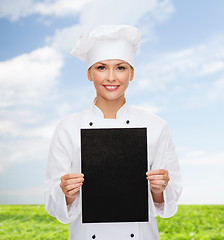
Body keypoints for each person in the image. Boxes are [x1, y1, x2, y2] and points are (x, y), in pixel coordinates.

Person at [45, 25, 182, 240]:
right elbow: (53, 205)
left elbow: (168, 206)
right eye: (101, 67)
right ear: (89, 74)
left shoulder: (156, 126)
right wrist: (66, 193)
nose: (111, 77)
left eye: (120, 67)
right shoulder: (68, 128)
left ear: (132, 73)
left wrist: (159, 189)